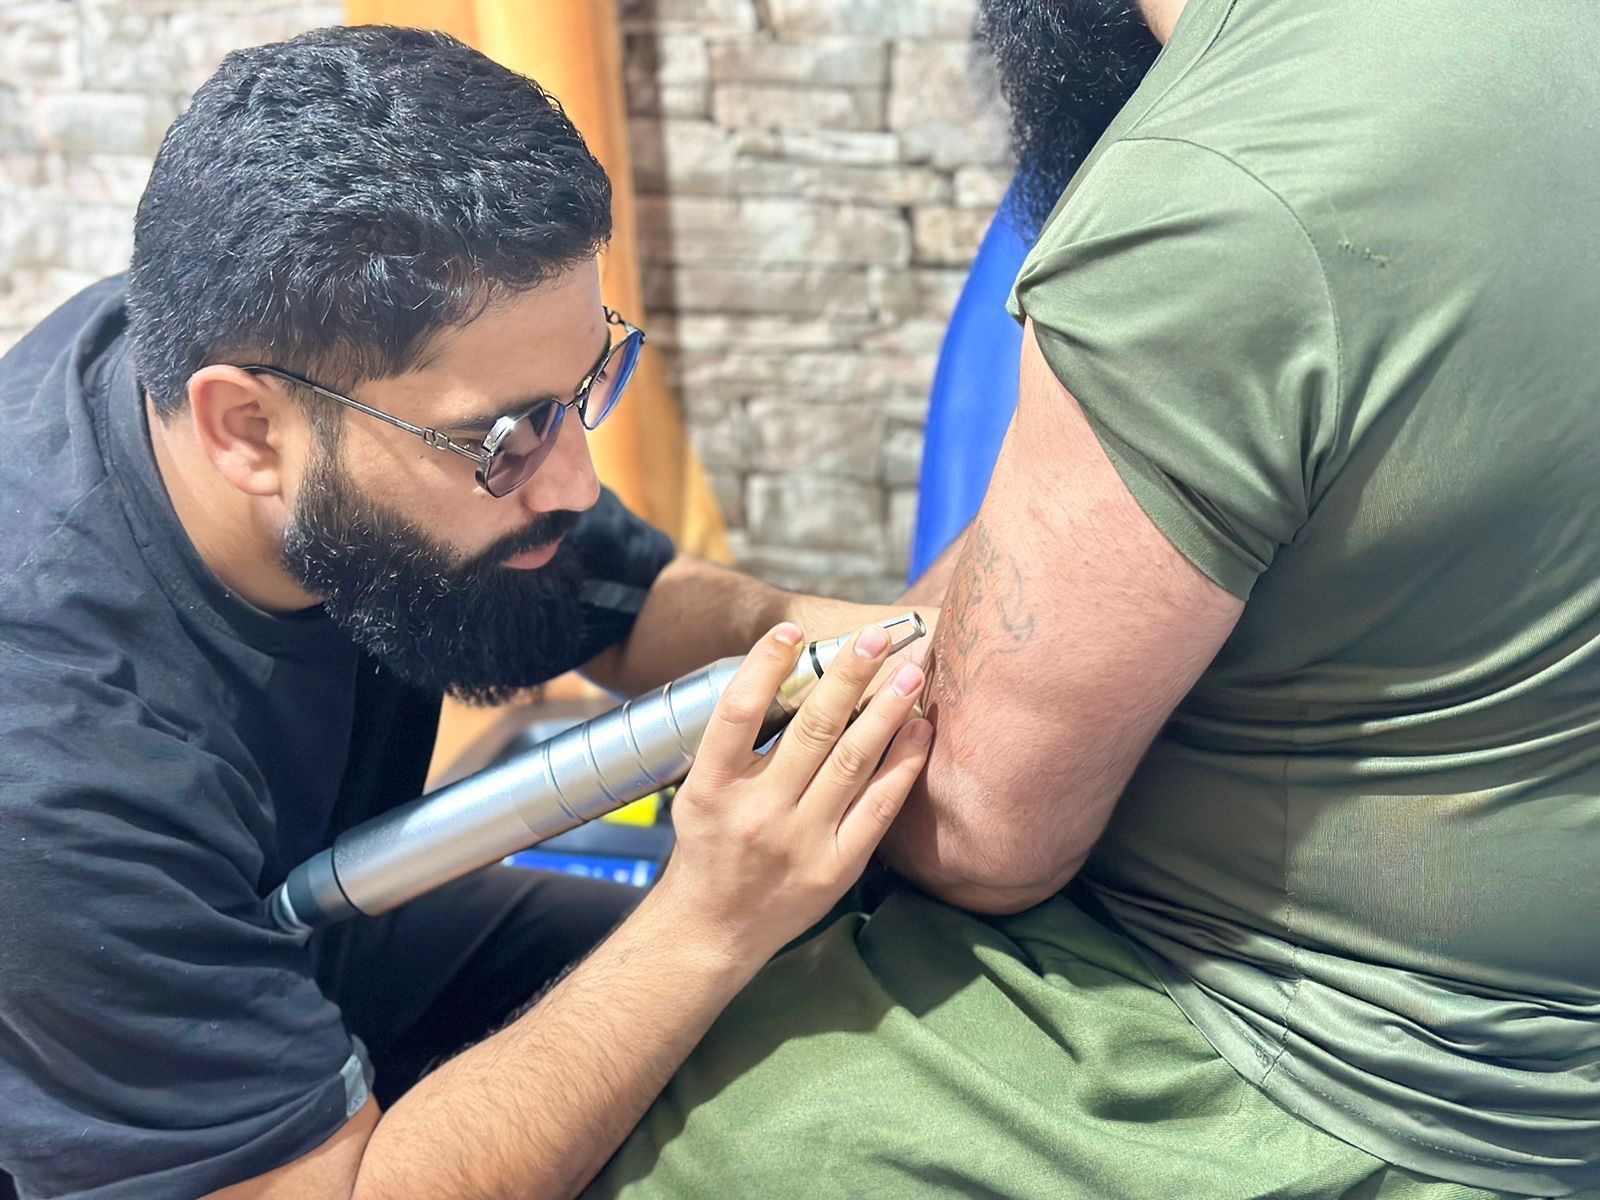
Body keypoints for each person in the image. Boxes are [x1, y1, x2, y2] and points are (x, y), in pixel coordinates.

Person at [587, 0, 1600, 1197]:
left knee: (655, 1137)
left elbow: (979, 835)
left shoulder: (1222, 186)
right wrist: (662, 611)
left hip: (1346, 1070)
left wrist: (708, 907)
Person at [0, 26, 938, 1200]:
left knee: (818, 989)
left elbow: (632, 607)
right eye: (502, 435)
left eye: (581, 388)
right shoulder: (53, 764)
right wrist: (706, 921)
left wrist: (889, 648)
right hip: (120, 1074)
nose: (574, 482)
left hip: (280, 930)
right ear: (246, 430)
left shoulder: (261, 341)